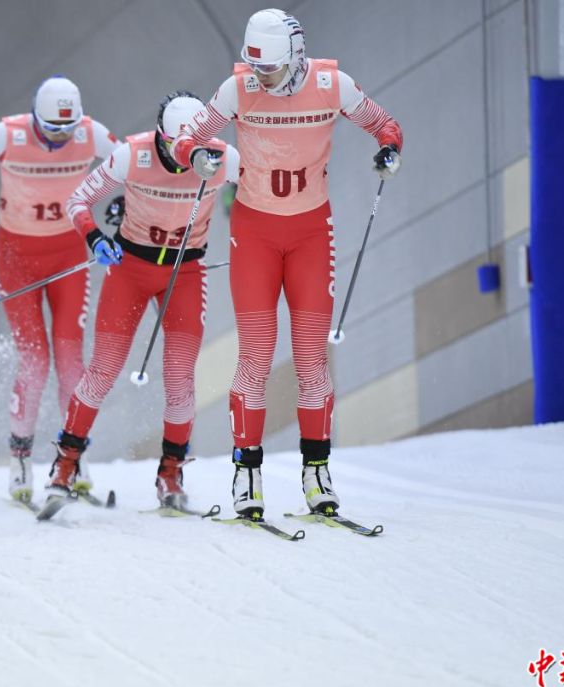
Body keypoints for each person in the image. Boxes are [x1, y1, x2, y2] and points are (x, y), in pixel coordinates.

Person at [169, 9, 403, 519]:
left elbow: (385, 124)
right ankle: (246, 474)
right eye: (255, 67)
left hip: (310, 234)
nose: (262, 77)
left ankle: (317, 473)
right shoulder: (237, 88)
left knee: (311, 359)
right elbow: (187, 138)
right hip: (254, 234)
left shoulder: (332, 84)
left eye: (270, 69)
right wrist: (196, 156)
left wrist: (388, 149)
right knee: (255, 356)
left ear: (296, 56)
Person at [0, 76, 118, 503]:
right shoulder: (7, 134)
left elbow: (140, 165)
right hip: (17, 258)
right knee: (35, 361)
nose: (59, 138)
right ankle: (20, 459)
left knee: (70, 360)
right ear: (34, 118)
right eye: (50, 129)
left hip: (69, 256)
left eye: (66, 130)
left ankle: (74, 455)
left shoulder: (91, 133)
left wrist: (127, 200)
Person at [45, 91, 239, 509]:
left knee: (180, 376)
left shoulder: (222, 157)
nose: (183, 155)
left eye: (192, 146)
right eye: (173, 144)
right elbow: (78, 200)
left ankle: (170, 475)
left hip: (185, 272)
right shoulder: (132, 154)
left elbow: (263, 193)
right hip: (130, 269)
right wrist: (95, 238)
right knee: (103, 371)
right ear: (160, 136)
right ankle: (65, 465)